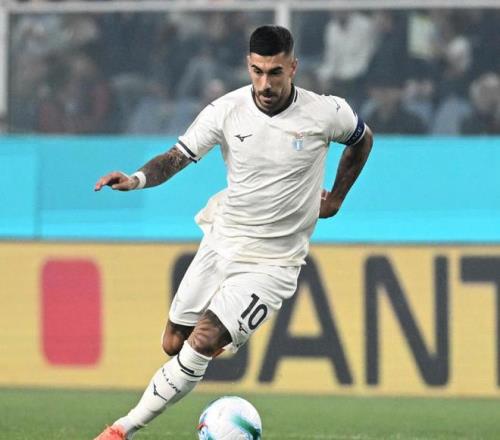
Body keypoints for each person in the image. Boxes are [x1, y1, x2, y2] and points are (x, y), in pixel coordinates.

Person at [93, 25, 373, 440]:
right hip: (222, 240)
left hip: (273, 262)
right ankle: (217, 342)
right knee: (173, 343)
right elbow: (176, 157)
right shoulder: (226, 110)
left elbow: (362, 140)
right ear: (248, 65)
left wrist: (336, 199)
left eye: (275, 72)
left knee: (202, 340)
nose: (265, 84)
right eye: (257, 71)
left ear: (293, 68)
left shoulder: (325, 112)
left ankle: (121, 430)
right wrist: (136, 179)